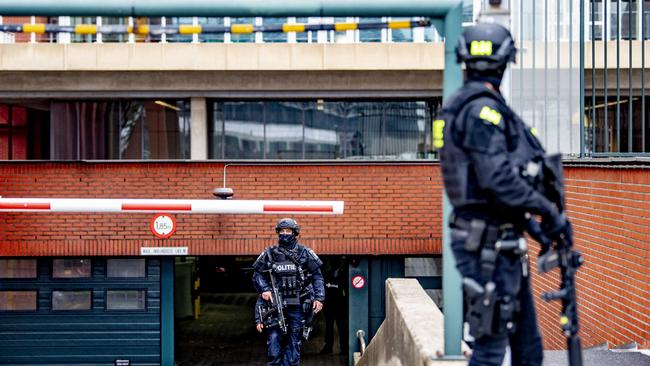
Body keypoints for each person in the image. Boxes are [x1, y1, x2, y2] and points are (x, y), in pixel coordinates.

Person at [435, 23, 573, 366]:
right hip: (487, 247)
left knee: (528, 347)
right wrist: (548, 211)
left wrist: (533, 224)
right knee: (491, 350)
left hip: (498, 242)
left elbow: (488, 189)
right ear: (506, 59)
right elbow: (496, 179)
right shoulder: (482, 111)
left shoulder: (468, 107)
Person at [253, 218, 325, 366]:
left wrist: (319, 297)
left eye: (288, 231)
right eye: (282, 231)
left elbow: (317, 276)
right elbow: (257, 274)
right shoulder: (269, 253)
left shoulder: (305, 253)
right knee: (273, 342)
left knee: (294, 343)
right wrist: (265, 290)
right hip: (275, 304)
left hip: (298, 303)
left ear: (295, 233)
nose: (285, 234)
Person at [320, 257, 347, 355]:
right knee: (329, 328)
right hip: (329, 307)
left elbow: (347, 293)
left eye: (335, 263)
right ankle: (328, 347)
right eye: (332, 263)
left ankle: (344, 349)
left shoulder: (343, 276)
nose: (333, 265)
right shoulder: (326, 275)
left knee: (342, 328)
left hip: (340, 307)